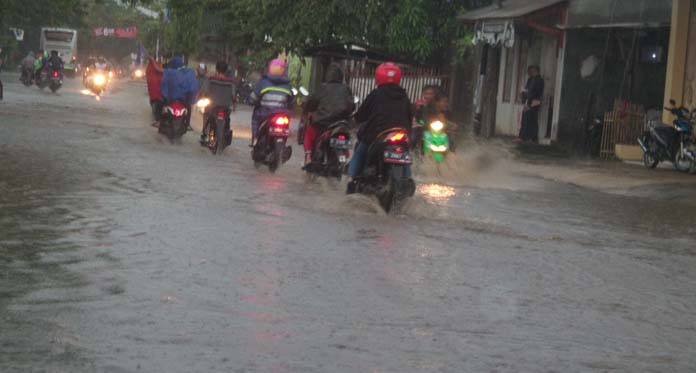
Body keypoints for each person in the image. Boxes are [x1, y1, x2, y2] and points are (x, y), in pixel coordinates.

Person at [347, 62, 413, 191]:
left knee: (361, 150)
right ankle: (408, 179)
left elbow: (361, 115)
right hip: (402, 134)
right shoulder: (404, 96)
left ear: (378, 77)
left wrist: (354, 120)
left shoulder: (376, 94)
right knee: (405, 154)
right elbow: (409, 116)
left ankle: (352, 178)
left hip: (377, 134)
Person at [302, 63, 355, 166]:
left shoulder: (322, 88)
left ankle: (308, 157)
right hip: (342, 124)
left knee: (310, 132)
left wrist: (308, 108)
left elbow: (312, 102)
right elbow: (352, 106)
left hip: (323, 122)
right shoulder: (346, 89)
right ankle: (344, 161)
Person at [248, 58, 294, 146]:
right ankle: (283, 143)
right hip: (282, 114)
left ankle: (255, 138)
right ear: (284, 70)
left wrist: (251, 101)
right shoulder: (288, 86)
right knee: (286, 124)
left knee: (255, 119)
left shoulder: (263, 83)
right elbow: (291, 102)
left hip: (265, 113)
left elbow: (253, 98)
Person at [198, 61, 235, 143]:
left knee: (206, 115)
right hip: (225, 107)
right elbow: (233, 95)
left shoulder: (211, 79)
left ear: (216, 69)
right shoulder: (230, 82)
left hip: (213, 106)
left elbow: (205, 91)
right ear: (225, 70)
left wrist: (204, 96)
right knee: (227, 119)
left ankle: (204, 134)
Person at [160, 55, 199, 130]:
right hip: (183, 100)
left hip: (171, 99)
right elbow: (193, 87)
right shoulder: (189, 72)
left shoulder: (169, 72)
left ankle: (159, 121)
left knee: (162, 105)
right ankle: (187, 124)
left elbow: (164, 84)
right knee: (189, 108)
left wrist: (165, 95)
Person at [517, 65, 544, 143]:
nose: (529, 73)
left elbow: (534, 92)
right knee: (526, 118)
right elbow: (527, 90)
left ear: (535, 70)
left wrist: (529, 102)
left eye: (531, 71)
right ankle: (524, 136)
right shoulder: (530, 79)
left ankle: (532, 138)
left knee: (532, 119)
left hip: (534, 102)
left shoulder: (539, 80)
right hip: (528, 101)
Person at [412, 85, 440, 153]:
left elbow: (440, 116)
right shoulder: (419, 104)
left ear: (434, 95)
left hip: (433, 128)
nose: (428, 96)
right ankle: (411, 151)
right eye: (426, 93)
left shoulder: (437, 105)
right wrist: (415, 121)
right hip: (420, 127)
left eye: (430, 94)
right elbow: (414, 115)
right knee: (414, 137)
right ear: (423, 94)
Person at [146, 57, 164, 126]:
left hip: (158, 92)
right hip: (156, 92)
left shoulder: (155, 66)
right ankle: (158, 120)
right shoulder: (153, 67)